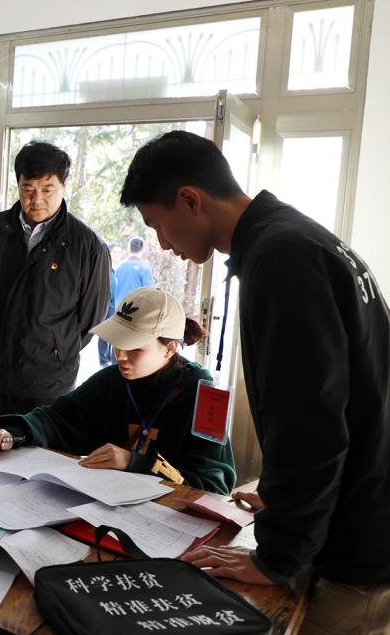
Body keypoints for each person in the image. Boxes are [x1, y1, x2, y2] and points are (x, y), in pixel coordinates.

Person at [121, 130, 390, 632]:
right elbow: (349, 397)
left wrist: (277, 554)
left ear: (190, 200)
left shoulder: (282, 258)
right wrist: (288, 499)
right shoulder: (302, 239)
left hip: (358, 551)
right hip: (360, 513)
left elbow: (310, 421)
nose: (163, 244)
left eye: (158, 224)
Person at [0, 287, 235, 494]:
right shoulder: (112, 380)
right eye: (117, 343)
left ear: (169, 349)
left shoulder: (207, 399)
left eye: (134, 348)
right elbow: (59, 418)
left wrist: (133, 462)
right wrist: (15, 432)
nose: (120, 356)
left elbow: (213, 487)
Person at [0, 141, 111, 435]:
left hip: (48, 382)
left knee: (37, 456)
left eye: (47, 189)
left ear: (64, 186)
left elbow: (90, 320)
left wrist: (53, 349)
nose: (37, 199)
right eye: (28, 189)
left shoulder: (87, 245)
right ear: (18, 185)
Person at [98, 241, 122, 367]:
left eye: (119, 252)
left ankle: (111, 360)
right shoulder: (106, 269)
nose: (117, 255)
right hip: (107, 307)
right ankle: (104, 360)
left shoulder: (116, 269)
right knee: (105, 334)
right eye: (115, 252)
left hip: (115, 307)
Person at [114, 236, 155, 303]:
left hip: (118, 307)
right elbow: (150, 294)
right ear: (143, 249)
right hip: (136, 308)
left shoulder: (119, 267)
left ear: (128, 248)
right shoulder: (144, 268)